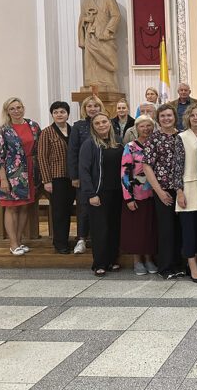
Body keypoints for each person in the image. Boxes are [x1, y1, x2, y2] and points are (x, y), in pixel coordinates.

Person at [142, 103, 185, 280]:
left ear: (175, 117)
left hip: (182, 189)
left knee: (181, 229)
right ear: (158, 119)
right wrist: (159, 191)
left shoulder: (182, 136)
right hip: (164, 190)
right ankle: (166, 266)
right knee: (166, 229)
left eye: (169, 115)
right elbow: (146, 166)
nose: (166, 119)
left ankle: (180, 264)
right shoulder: (154, 138)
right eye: (163, 116)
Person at [0, 97, 41, 256]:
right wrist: (4, 179)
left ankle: (19, 241)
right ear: (7, 111)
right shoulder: (3, 129)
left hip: (30, 171)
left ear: (23, 108)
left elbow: (38, 148)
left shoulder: (33, 126)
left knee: (24, 207)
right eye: (12, 108)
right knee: (11, 207)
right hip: (12, 173)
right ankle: (13, 244)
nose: (16, 111)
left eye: (19, 107)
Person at [79, 113, 123, 276]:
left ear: (110, 123)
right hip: (99, 193)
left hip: (117, 192)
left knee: (114, 227)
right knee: (100, 229)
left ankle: (112, 260)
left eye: (104, 122)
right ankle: (99, 263)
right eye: (97, 123)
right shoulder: (89, 144)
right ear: (93, 127)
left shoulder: (118, 142)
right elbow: (83, 171)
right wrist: (91, 193)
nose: (102, 125)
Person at [175, 103, 197, 283]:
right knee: (188, 230)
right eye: (193, 115)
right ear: (188, 118)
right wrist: (179, 192)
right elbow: (177, 166)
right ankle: (192, 265)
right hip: (188, 187)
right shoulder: (182, 137)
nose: (196, 117)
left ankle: (195, 262)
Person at [120, 115, 158, 276]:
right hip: (136, 194)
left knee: (150, 228)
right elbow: (124, 173)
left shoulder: (156, 145)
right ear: (136, 128)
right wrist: (128, 197)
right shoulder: (130, 147)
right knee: (137, 230)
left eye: (149, 126)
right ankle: (137, 261)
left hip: (154, 194)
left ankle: (149, 259)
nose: (146, 129)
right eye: (142, 126)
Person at [68, 94, 104, 255]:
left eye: (95, 106)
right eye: (89, 106)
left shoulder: (106, 124)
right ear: (84, 109)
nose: (92, 109)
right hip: (84, 175)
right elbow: (72, 152)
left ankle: (99, 238)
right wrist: (74, 176)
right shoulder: (79, 126)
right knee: (84, 207)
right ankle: (81, 239)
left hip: (103, 174)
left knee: (101, 207)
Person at [37, 101, 75, 254]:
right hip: (56, 177)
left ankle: (72, 239)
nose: (59, 114)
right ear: (52, 114)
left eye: (62, 112)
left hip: (73, 177)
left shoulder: (73, 130)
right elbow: (42, 157)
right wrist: (47, 180)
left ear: (67, 114)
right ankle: (60, 243)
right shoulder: (47, 132)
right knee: (60, 211)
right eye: (56, 112)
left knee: (71, 210)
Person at [77, 0, 121, 91]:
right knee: (91, 61)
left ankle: (108, 84)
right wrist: (86, 22)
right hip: (90, 37)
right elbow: (82, 18)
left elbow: (116, 16)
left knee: (108, 60)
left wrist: (107, 31)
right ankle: (92, 83)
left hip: (104, 37)